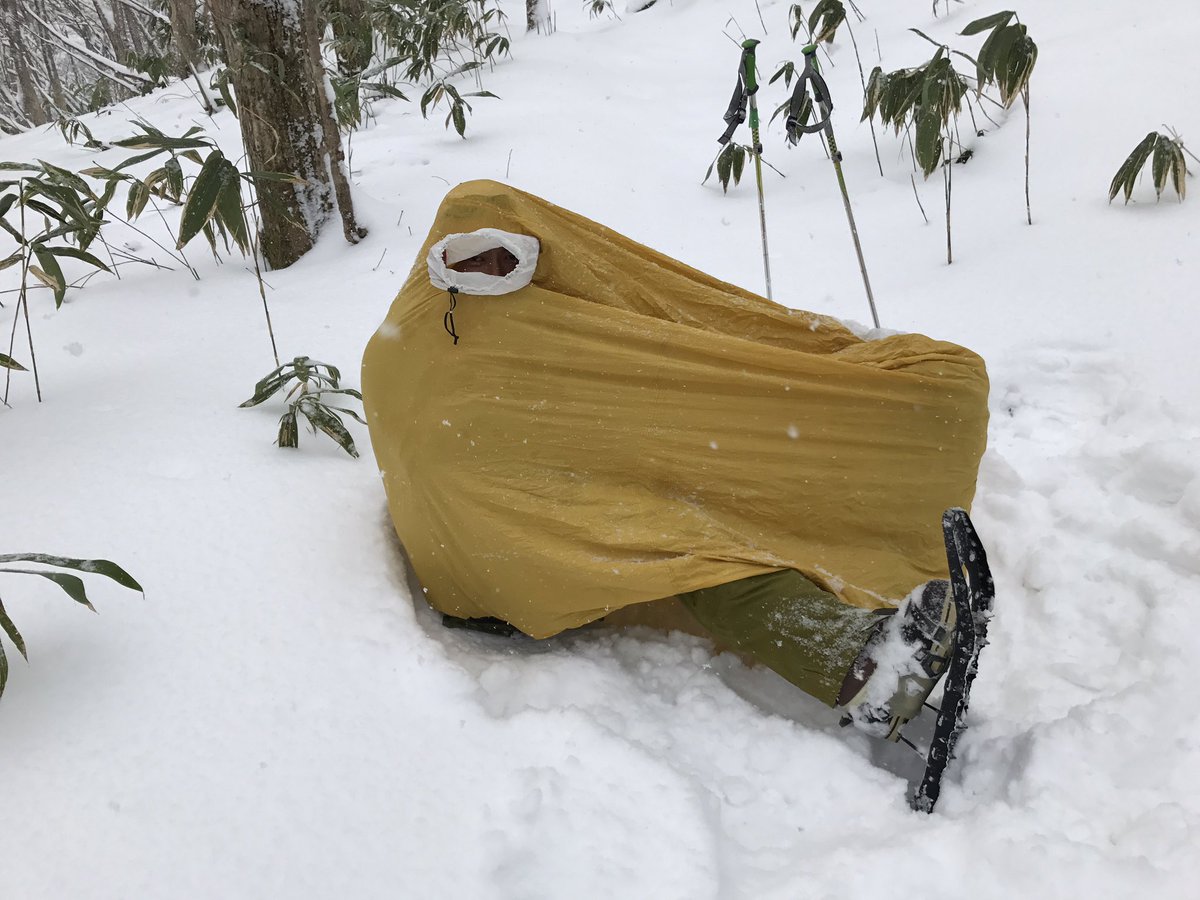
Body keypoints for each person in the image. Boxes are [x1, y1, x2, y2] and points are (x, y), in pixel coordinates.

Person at [363, 181, 989, 744]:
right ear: (437, 255)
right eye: (470, 257)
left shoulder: (427, 339)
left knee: (672, 526)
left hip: (475, 571)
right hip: (500, 566)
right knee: (689, 546)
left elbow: (606, 412)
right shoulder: (441, 345)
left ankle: (856, 656)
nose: (488, 271)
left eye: (503, 254)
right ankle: (858, 669)